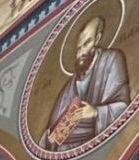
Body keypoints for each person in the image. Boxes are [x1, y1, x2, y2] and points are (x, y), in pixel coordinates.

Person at [41, 16, 130, 151]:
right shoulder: (72, 83)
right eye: (78, 48)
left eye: (87, 44)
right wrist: (51, 136)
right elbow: (54, 128)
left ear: (97, 39)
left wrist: (95, 112)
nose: (81, 53)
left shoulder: (112, 59)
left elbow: (124, 108)